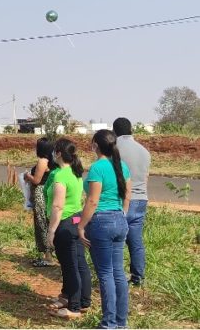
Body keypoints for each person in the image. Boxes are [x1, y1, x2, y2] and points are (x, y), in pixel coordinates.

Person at [79, 129, 132, 329]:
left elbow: (92, 201)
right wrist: (122, 215)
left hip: (101, 221)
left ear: (96, 146)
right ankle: (121, 322)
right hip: (119, 218)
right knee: (118, 272)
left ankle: (108, 322)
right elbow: (127, 195)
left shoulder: (97, 168)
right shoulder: (122, 166)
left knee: (106, 273)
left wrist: (82, 225)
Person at [46, 138, 91, 319]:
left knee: (70, 266)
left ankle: (74, 307)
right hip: (77, 220)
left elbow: (58, 206)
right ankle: (84, 301)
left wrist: (51, 231)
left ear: (58, 153)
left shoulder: (60, 175)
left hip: (65, 223)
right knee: (79, 263)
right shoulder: (76, 172)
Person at [113, 117, 150, 287]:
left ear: (114, 132)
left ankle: (117, 277)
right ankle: (138, 277)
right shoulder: (144, 151)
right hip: (141, 199)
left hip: (122, 200)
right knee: (136, 242)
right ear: (131, 130)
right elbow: (146, 177)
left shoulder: (115, 149)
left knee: (116, 241)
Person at [24, 137, 55, 267]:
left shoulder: (42, 161)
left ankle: (47, 255)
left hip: (40, 192)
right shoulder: (53, 161)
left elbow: (37, 180)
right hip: (48, 192)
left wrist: (27, 176)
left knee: (41, 223)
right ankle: (49, 252)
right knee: (47, 221)